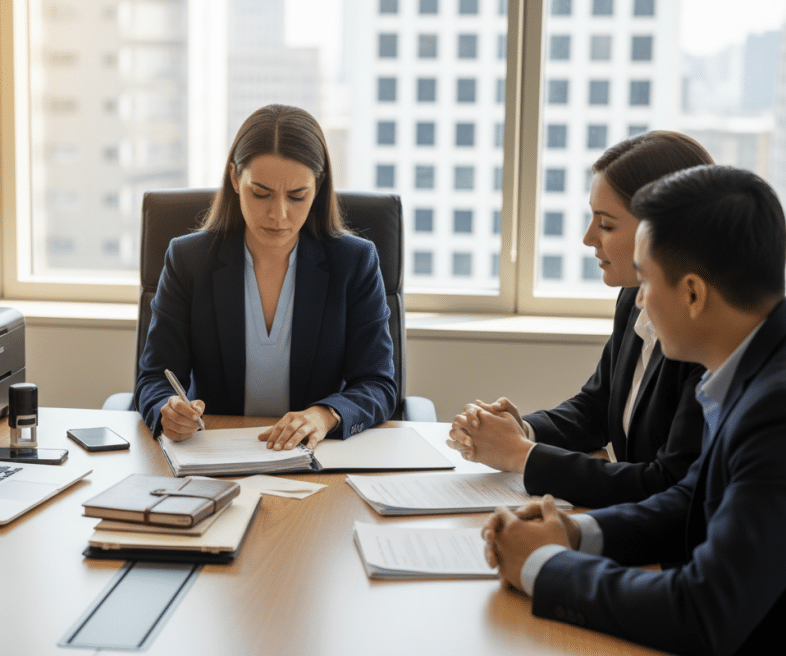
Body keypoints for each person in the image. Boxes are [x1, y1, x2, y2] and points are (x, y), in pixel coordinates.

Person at [482, 165, 786, 655]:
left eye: (645, 280)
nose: (639, 299)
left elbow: (704, 611)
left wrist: (545, 565)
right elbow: (692, 498)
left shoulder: (775, 412)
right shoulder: (750, 370)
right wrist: (575, 533)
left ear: (692, 293)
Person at [450, 132, 714, 507]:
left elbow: (666, 483)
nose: (588, 238)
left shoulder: (706, 334)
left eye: (605, 224)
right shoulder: (634, 297)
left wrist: (520, 456)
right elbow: (597, 407)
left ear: (661, 231)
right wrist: (522, 431)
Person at [133, 104, 397, 450]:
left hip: (316, 456)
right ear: (234, 179)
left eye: (297, 196)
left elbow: (378, 383)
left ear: (317, 188)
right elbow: (155, 378)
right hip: (215, 455)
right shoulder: (189, 259)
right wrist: (167, 409)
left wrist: (324, 414)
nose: (279, 214)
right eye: (261, 193)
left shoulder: (354, 262)